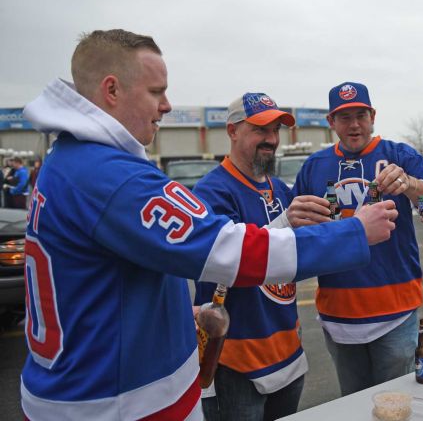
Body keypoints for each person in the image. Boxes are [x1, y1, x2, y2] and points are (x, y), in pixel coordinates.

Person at [20, 29, 398, 421]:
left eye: (276, 130)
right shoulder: (110, 175)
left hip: (268, 355)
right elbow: (226, 253)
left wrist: (184, 316)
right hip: (120, 400)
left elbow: (116, 281)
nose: (167, 105)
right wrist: (353, 231)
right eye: (156, 91)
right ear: (111, 90)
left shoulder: (71, 162)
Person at [292, 81, 423, 396]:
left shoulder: (399, 155)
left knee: (396, 406)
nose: (354, 124)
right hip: (338, 316)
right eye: (344, 117)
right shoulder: (314, 167)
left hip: (395, 314)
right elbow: (295, 229)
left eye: (361, 115)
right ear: (331, 122)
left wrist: (411, 187)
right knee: (354, 405)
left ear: (373, 116)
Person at [192, 92, 333, 421]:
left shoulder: (282, 190)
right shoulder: (211, 192)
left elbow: (295, 262)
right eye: (260, 130)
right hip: (236, 362)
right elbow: (224, 263)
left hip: (288, 355)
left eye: (276, 130)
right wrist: (286, 223)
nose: (271, 139)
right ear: (232, 131)